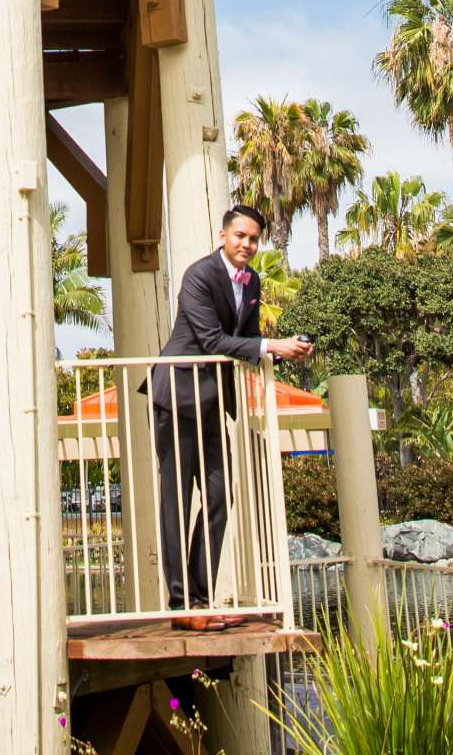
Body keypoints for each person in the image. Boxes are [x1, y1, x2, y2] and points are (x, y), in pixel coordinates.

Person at [149, 206, 314, 611]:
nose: (247, 244)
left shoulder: (253, 280)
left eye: (254, 239)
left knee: (220, 495)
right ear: (223, 235)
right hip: (177, 393)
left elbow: (250, 339)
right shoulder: (198, 276)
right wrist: (271, 346)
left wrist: (284, 349)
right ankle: (179, 599)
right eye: (241, 236)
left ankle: (200, 594)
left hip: (213, 400)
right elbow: (211, 340)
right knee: (176, 498)